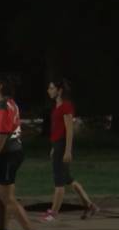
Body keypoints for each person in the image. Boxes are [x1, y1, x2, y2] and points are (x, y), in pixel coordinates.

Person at [0, 73, 42, 230]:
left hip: (6, 156)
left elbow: (3, 135)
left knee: (7, 198)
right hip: (8, 154)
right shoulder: (8, 104)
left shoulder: (2, 106)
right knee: (2, 198)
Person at [40, 78, 99, 222]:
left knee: (59, 182)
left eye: (52, 88)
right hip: (57, 145)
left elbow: (69, 130)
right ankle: (90, 206)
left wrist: (67, 151)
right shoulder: (57, 106)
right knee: (68, 179)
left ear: (59, 90)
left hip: (62, 146)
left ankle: (53, 213)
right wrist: (54, 148)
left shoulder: (66, 106)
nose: (49, 91)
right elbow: (57, 130)